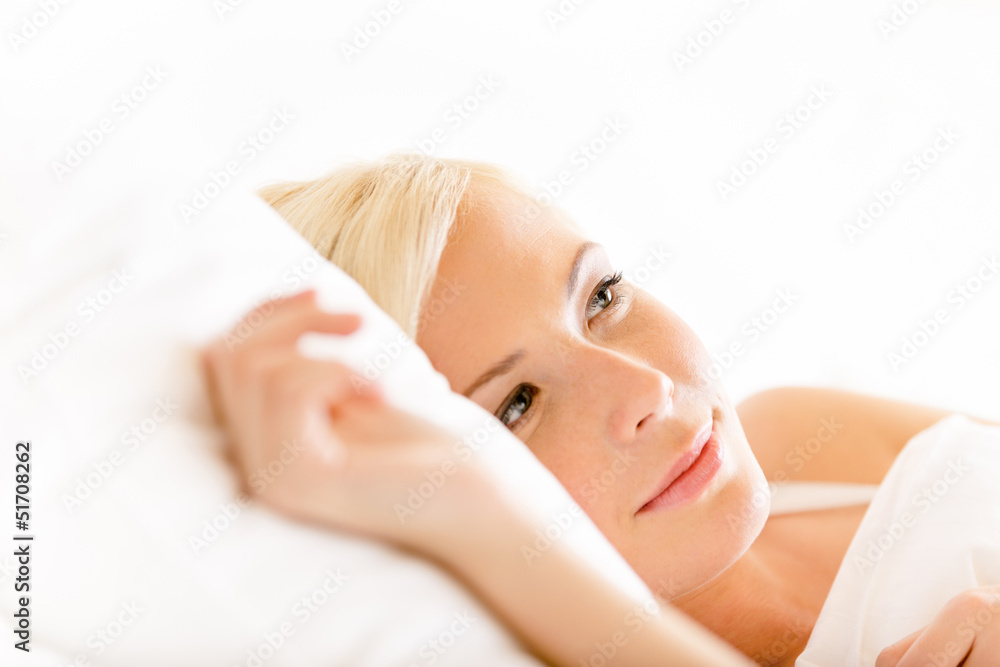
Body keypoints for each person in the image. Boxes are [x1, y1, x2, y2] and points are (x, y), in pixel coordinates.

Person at [202, 154, 1000, 666]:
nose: (647, 393)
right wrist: (468, 514)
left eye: (601, 298)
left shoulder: (799, 433)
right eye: (517, 404)